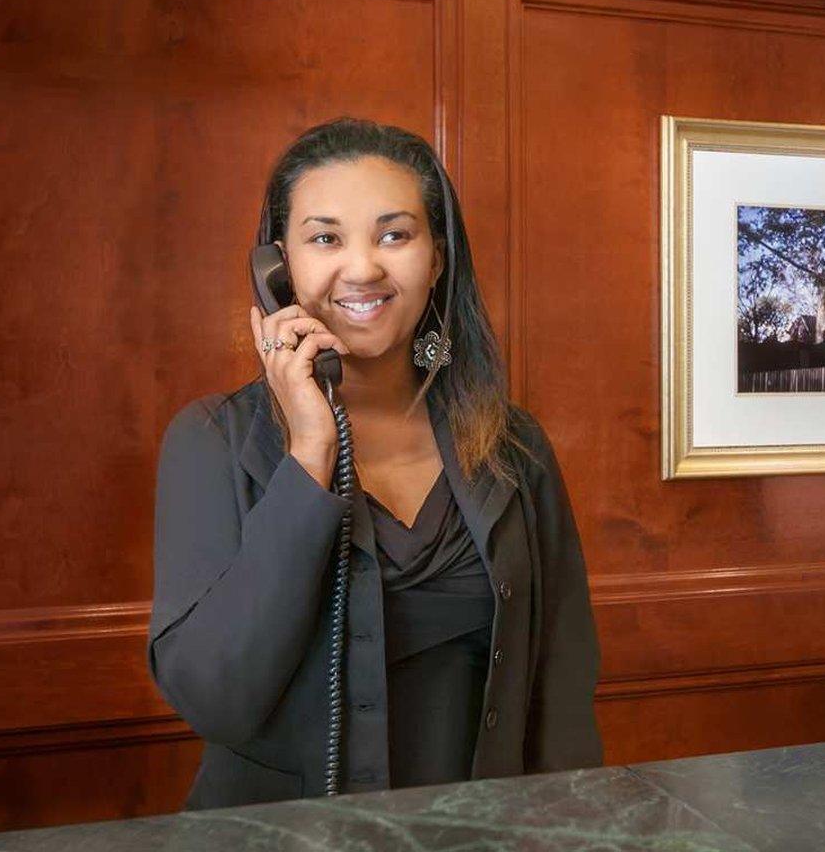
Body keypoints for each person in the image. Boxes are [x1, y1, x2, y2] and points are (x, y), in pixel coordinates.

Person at [148, 117, 603, 810]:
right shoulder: (212, 440)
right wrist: (309, 453)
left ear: (438, 258)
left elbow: (562, 690)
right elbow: (217, 699)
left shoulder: (512, 446)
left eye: (395, 235)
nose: (363, 268)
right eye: (325, 238)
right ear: (278, 268)